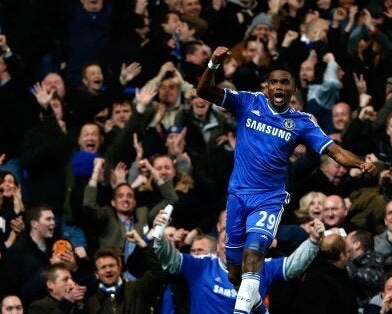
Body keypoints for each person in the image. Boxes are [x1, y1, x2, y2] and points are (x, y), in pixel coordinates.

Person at [196, 46, 376, 313]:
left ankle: (240, 311)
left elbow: (334, 151)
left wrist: (361, 163)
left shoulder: (302, 122)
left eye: (285, 83)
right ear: (266, 87)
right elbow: (203, 92)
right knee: (234, 273)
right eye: (274, 82)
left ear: (293, 90)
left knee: (255, 250)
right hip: (237, 196)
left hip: (269, 198)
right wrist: (212, 64)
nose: (279, 87)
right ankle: (258, 309)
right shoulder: (248, 102)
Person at [153, 210, 326, 314]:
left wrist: (313, 243)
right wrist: (159, 237)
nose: (231, 246)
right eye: (226, 241)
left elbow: (293, 265)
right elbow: (170, 259)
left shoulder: (260, 266)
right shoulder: (201, 265)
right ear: (218, 246)